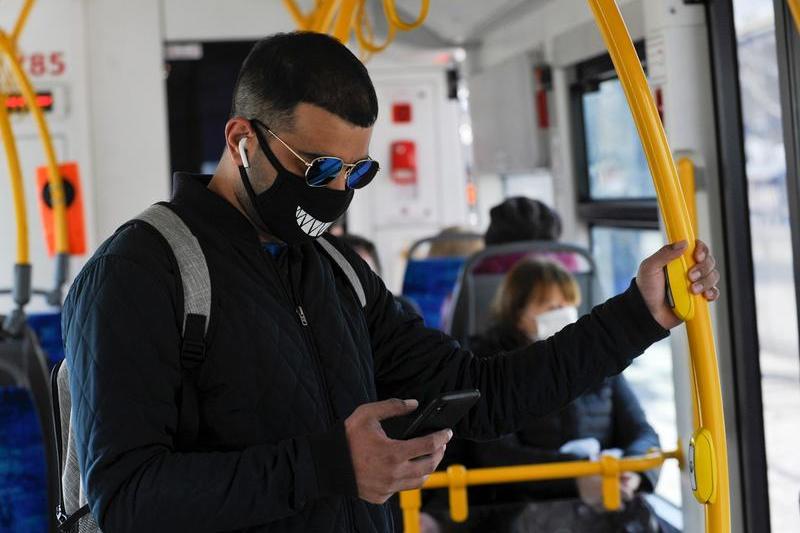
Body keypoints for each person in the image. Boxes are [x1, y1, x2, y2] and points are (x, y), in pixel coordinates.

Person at [62, 32, 721, 533]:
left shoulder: (339, 273)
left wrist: (638, 315)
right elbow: (126, 494)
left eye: (356, 172)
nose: (339, 192)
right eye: (319, 168)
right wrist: (327, 462)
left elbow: (485, 395)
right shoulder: (141, 273)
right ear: (241, 140)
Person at [462, 258, 663, 532]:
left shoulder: (597, 359)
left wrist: (634, 472)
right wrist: (576, 477)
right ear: (518, 314)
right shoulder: (492, 368)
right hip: (528, 505)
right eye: (553, 307)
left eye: (569, 305)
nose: (565, 313)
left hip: (606, 486)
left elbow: (642, 432)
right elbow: (498, 453)